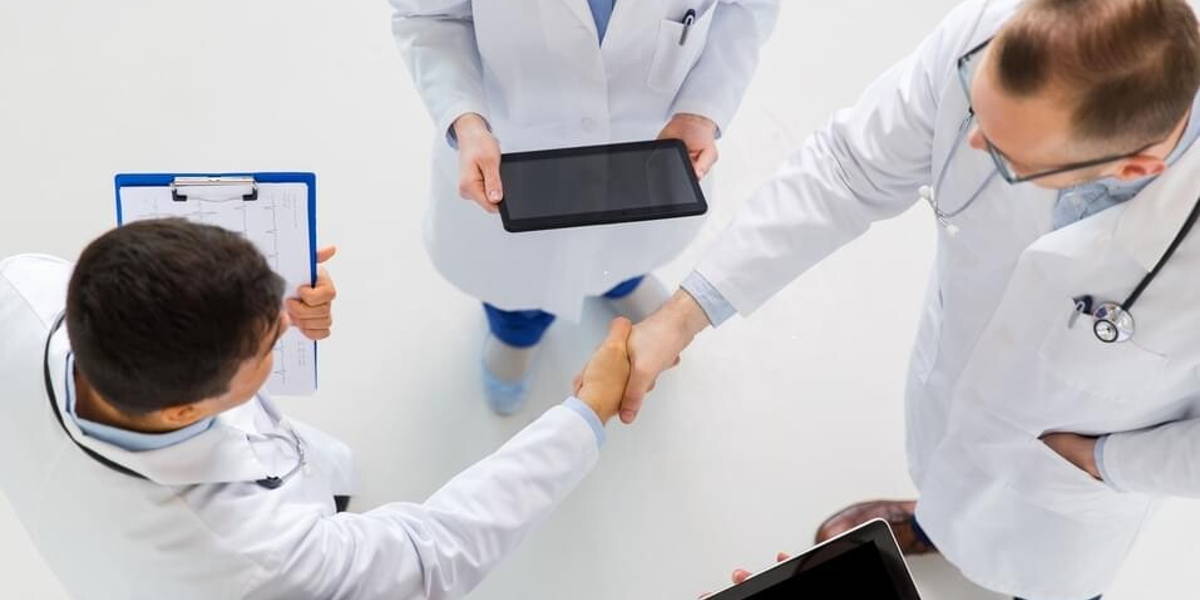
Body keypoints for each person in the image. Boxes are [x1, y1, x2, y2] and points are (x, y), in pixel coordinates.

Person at [619, 1, 1200, 599]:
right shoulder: (1004, 33)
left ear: (1133, 169)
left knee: (1050, 583)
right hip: (962, 366)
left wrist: (1107, 463)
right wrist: (685, 316)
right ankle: (934, 522)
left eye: (1005, 154)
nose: (971, 139)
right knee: (948, 465)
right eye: (975, 105)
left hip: (1072, 485)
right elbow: (848, 169)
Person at [0, 219, 634, 599]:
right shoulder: (261, 560)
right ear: (181, 411)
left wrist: (245, 297)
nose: (288, 321)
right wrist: (584, 415)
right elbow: (431, 551)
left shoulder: (25, 286)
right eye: (271, 343)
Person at [389, 0, 779, 414]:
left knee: (623, 253)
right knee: (517, 288)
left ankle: (620, 282)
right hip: (511, 148)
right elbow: (429, 16)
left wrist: (702, 109)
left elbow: (746, 8)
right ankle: (517, 331)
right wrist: (465, 119)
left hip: (646, 144)